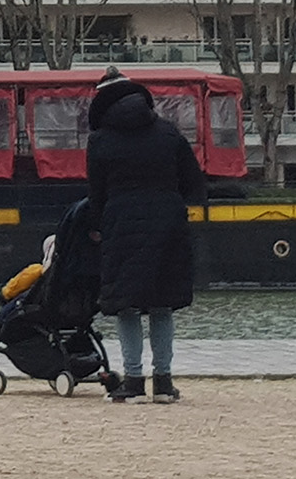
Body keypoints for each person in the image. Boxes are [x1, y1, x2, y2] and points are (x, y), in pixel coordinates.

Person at [86, 69, 207, 403]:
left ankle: (135, 381)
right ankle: (164, 384)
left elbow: (96, 194)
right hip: (168, 222)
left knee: (126, 306)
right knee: (161, 304)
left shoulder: (100, 141)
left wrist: (97, 227)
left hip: (121, 222)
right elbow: (193, 182)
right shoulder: (168, 134)